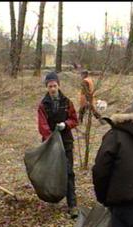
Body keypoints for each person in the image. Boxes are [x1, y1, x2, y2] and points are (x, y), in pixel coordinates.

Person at [38, 72, 79, 219]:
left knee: (69, 172)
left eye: (55, 86)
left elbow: (75, 119)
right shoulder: (43, 105)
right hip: (50, 144)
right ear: (47, 87)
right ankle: (52, 198)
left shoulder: (67, 102)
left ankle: (72, 204)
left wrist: (66, 124)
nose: (53, 89)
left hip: (66, 142)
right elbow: (42, 125)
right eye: (50, 86)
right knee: (51, 172)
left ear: (59, 85)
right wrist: (51, 138)